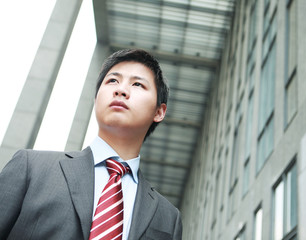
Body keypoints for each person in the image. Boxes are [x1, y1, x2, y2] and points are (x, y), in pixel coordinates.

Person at [0, 49, 182, 240]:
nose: (120, 90)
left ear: (159, 112)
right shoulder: (32, 167)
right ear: (96, 99)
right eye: (112, 81)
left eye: (137, 84)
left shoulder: (169, 217)